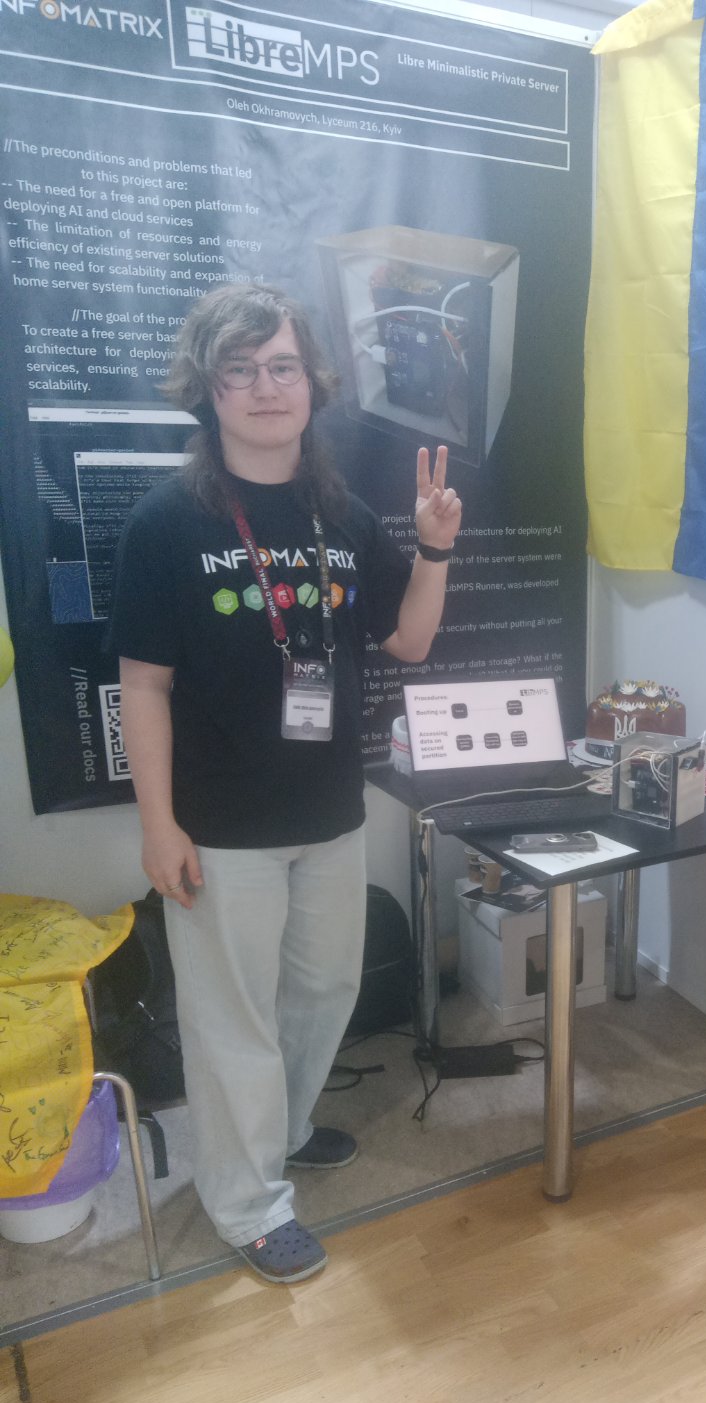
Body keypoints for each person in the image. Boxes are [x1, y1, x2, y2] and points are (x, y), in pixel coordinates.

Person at [108, 283, 460, 1284]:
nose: (266, 387)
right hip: (220, 828)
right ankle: (247, 1204)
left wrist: (433, 546)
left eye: (283, 367)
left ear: (312, 385)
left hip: (329, 813)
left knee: (322, 992)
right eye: (241, 370)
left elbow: (409, 638)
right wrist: (158, 825)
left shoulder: (336, 513)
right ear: (208, 389)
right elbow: (143, 687)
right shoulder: (165, 523)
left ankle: (286, 1130)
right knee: (233, 1022)